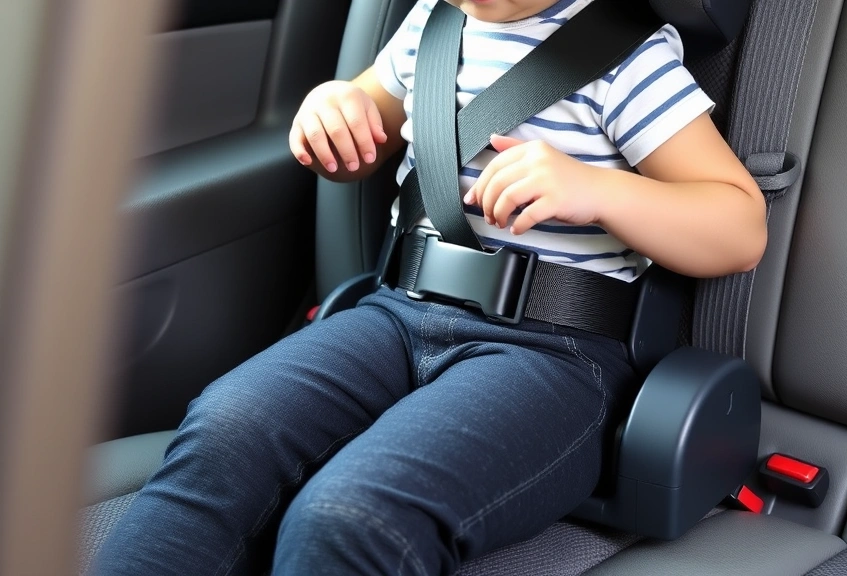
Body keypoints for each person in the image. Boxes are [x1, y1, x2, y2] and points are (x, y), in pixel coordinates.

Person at [90, 0, 765, 574]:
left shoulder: (628, 58)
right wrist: (335, 108)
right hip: (396, 314)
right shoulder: (430, 28)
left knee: (354, 514)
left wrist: (601, 190)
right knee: (226, 426)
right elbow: (368, 132)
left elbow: (739, 228)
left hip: (552, 355)